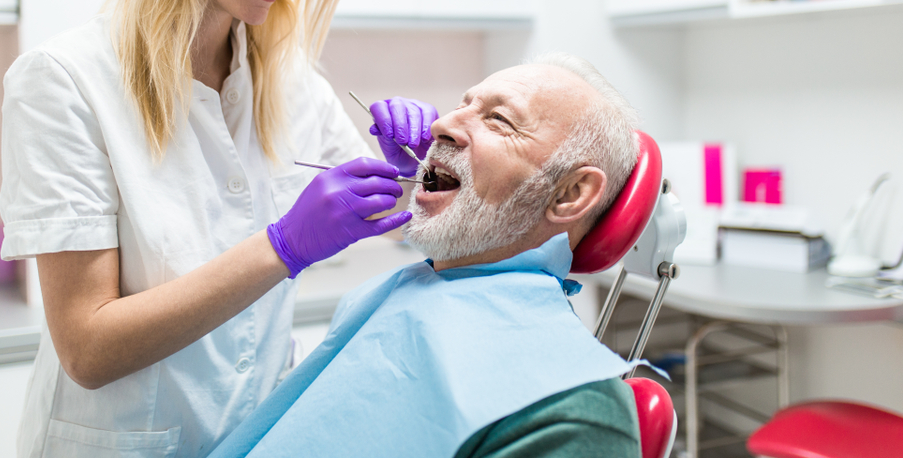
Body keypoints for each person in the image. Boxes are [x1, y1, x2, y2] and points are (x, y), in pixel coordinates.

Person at [0, 0, 437, 456]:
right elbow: (87, 346)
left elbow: (383, 212)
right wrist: (282, 246)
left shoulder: (286, 81)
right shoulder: (64, 82)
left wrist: (408, 170)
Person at [208, 52, 645, 458]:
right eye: (462, 105)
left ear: (570, 194)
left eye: (498, 119)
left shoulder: (570, 410)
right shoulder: (391, 294)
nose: (441, 125)